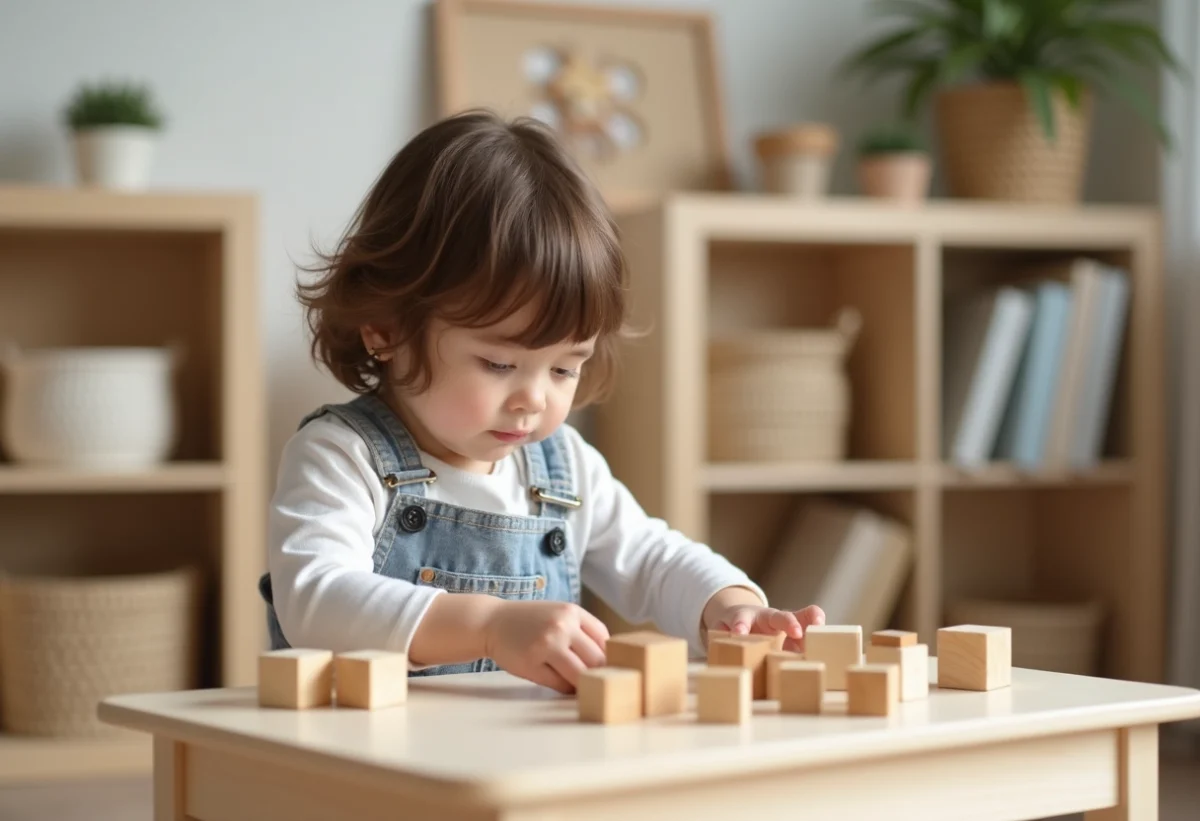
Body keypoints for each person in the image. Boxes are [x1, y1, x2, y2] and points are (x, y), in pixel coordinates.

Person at [259, 109, 824, 694]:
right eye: (499, 364)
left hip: (522, 765)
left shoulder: (562, 467)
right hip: (373, 765)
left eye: (563, 367)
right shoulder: (341, 457)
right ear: (385, 328)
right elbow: (315, 599)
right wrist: (489, 626)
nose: (533, 399)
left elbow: (653, 558)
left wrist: (727, 605)